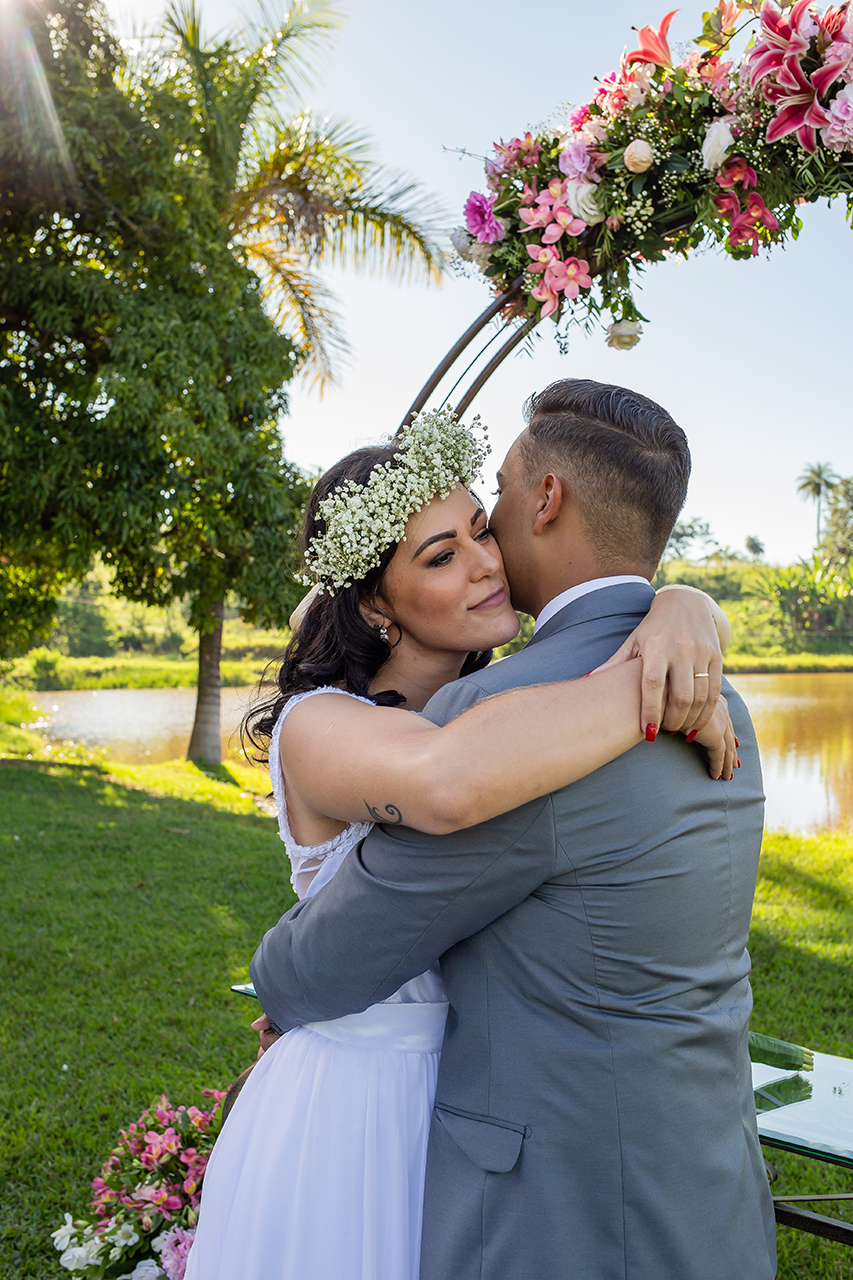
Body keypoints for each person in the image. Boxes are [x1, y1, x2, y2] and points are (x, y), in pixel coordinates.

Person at [185, 399, 736, 1280]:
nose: (486, 563)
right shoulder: (321, 726)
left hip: (475, 1102)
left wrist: (682, 604)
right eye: (441, 556)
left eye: (481, 529)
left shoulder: (505, 702)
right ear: (374, 604)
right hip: (357, 1106)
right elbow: (449, 781)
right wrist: (667, 678)